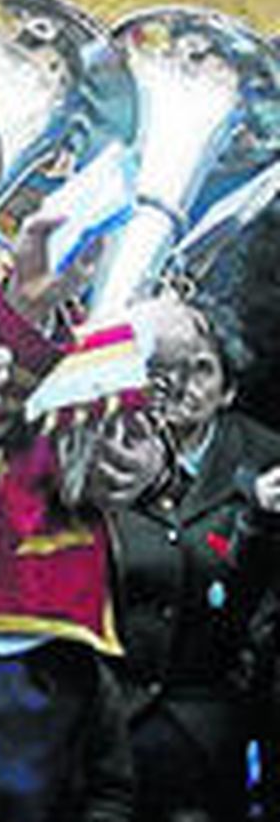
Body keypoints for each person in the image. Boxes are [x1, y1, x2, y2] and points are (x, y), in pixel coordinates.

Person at [82, 292, 280, 822]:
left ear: (229, 389)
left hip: (203, 729)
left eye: (203, 371)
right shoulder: (109, 449)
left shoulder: (265, 460)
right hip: (106, 717)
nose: (184, 387)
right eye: (167, 370)